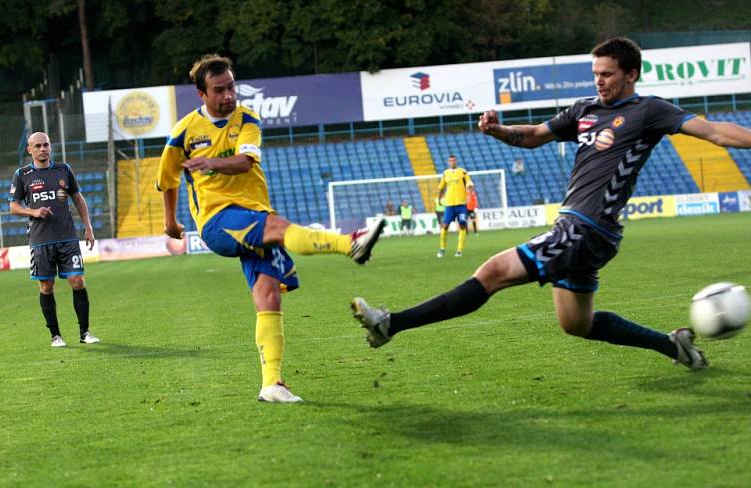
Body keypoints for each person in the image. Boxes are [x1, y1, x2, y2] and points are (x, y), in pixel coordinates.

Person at [351, 37, 751, 371]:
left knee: (492, 272)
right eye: (596, 74)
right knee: (576, 324)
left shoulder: (649, 111)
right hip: (585, 232)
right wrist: (498, 131)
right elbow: (535, 135)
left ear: (631, 74)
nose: (600, 81)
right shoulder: (584, 110)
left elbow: (715, 132)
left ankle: (391, 324)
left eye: (608, 74)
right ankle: (674, 346)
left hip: (585, 228)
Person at [157, 54, 385, 403]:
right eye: (219, 90)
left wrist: (211, 163)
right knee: (278, 227)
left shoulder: (247, 118)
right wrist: (170, 221)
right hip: (217, 221)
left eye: (231, 86)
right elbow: (167, 179)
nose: (229, 95)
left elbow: (245, 162)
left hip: (252, 214)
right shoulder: (183, 132)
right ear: (201, 95)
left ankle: (272, 383)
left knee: (269, 295)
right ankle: (350, 244)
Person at [9, 132, 99, 347]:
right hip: (40, 241)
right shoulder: (22, 174)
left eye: (46, 145)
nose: (43, 149)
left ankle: (85, 332)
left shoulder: (63, 169)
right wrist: (33, 212)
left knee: (78, 281)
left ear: (50, 147)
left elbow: (78, 197)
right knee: (46, 287)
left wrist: (88, 227)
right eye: (38, 146)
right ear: (29, 150)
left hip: (67, 237)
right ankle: (55, 335)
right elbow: (13, 206)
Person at [436, 155, 473, 258]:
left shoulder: (463, 172)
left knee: (462, 225)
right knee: (445, 226)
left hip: (461, 204)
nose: (452, 162)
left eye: (454, 160)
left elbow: (469, 183)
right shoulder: (445, 173)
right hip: (450, 205)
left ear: (456, 161)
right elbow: (441, 188)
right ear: (448, 162)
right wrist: (439, 199)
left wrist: (469, 191)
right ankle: (442, 248)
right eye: (450, 161)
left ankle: (459, 250)